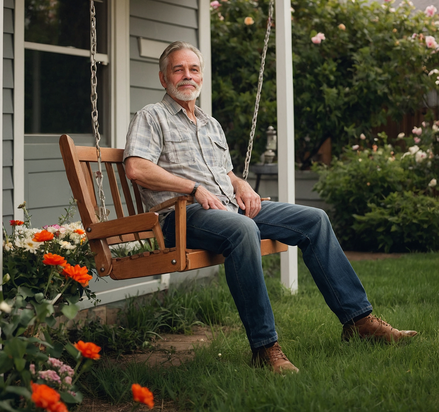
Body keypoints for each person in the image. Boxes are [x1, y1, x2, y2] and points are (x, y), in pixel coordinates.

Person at [123, 41, 417, 373]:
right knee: (243, 229)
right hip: (180, 217)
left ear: (202, 76)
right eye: (178, 69)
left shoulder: (210, 124)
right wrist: (194, 189)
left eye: (194, 69)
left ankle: (359, 321)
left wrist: (242, 185)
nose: (187, 76)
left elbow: (227, 173)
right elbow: (137, 168)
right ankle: (265, 348)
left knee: (314, 219)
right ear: (164, 78)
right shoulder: (152, 116)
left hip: (228, 209)